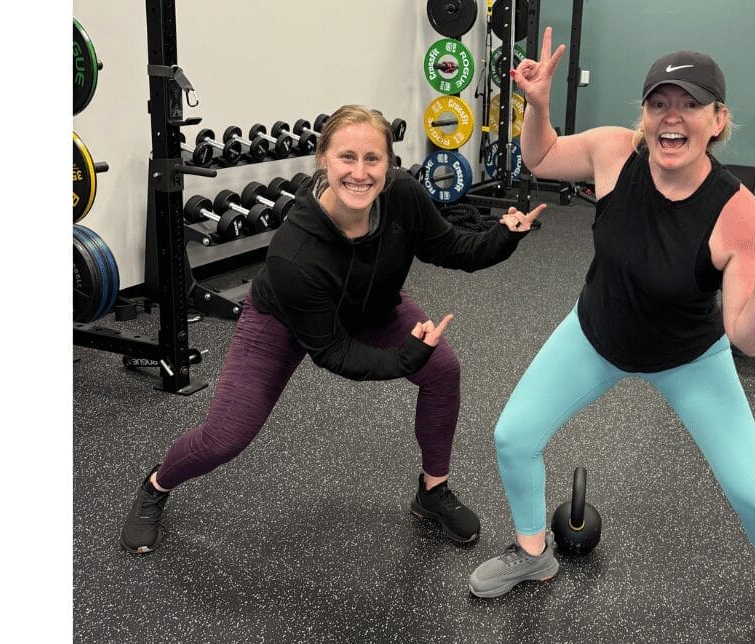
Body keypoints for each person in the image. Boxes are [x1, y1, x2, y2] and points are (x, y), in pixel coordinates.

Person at [467, 29, 755, 644]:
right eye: (659, 103)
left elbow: (749, 340)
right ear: (643, 116)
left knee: (753, 491)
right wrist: (536, 107)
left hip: (689, 357)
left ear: (718, 120)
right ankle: (532, 553)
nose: (672, 118)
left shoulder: (737, 212)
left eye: (689, 104)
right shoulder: (614, 152)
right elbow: (542, 158)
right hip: (596, 333)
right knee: (512, 435)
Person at [121, 105, 546, 556]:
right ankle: (156, 485)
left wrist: (503, 236)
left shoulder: (402, 194)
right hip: (282, 321)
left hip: (373, 303)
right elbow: (335, 352)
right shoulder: (295, 254)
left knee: (442, 369)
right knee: (225, 438)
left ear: (389, 164)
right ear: (323, 158)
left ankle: (432, 492)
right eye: (347, 157)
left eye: (372, 159)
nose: (360, 173)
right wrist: (405, 357)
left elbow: (449, 247)